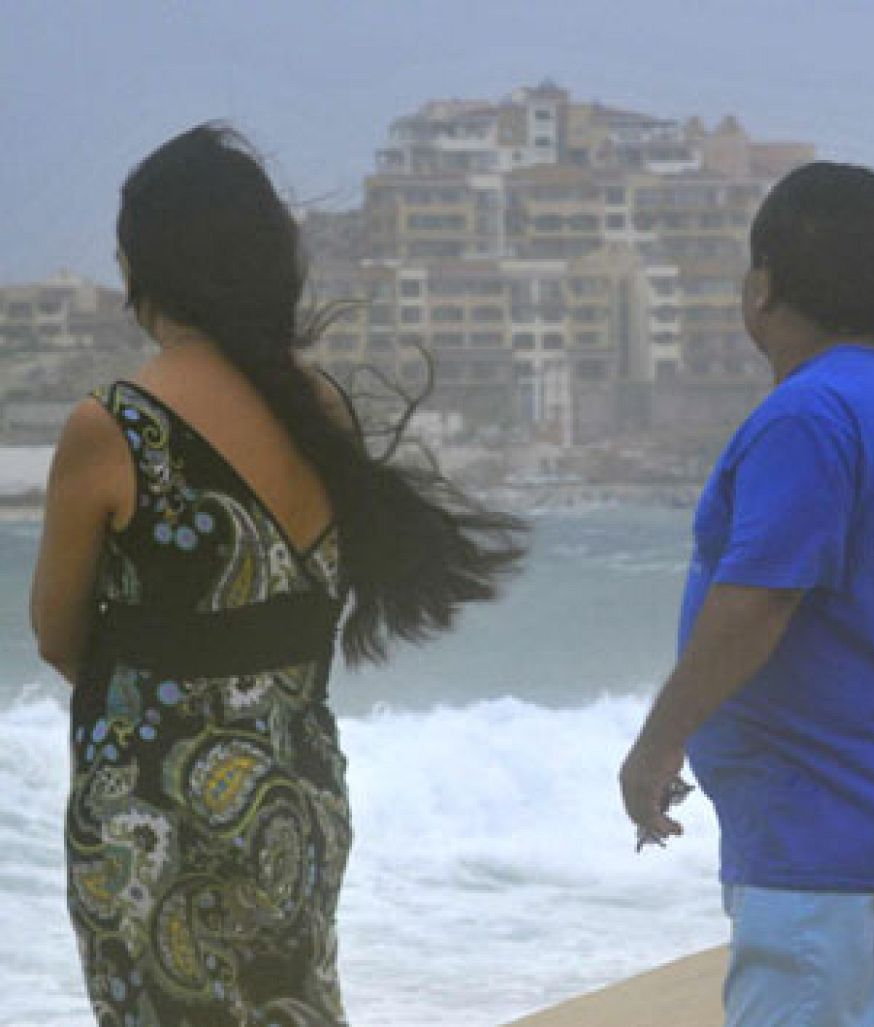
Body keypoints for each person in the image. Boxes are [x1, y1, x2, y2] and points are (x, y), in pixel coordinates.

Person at [30, 124, 523, 1024]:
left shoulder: (115, 425)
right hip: (299, 789)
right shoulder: (317, 405)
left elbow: (57, 634)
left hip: (155, 807)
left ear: (143, 265)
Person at [618, 162, 874, 1026]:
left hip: (819, 834)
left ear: (761, 287)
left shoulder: (806, 416)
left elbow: (756, 601)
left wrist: (658, 743)